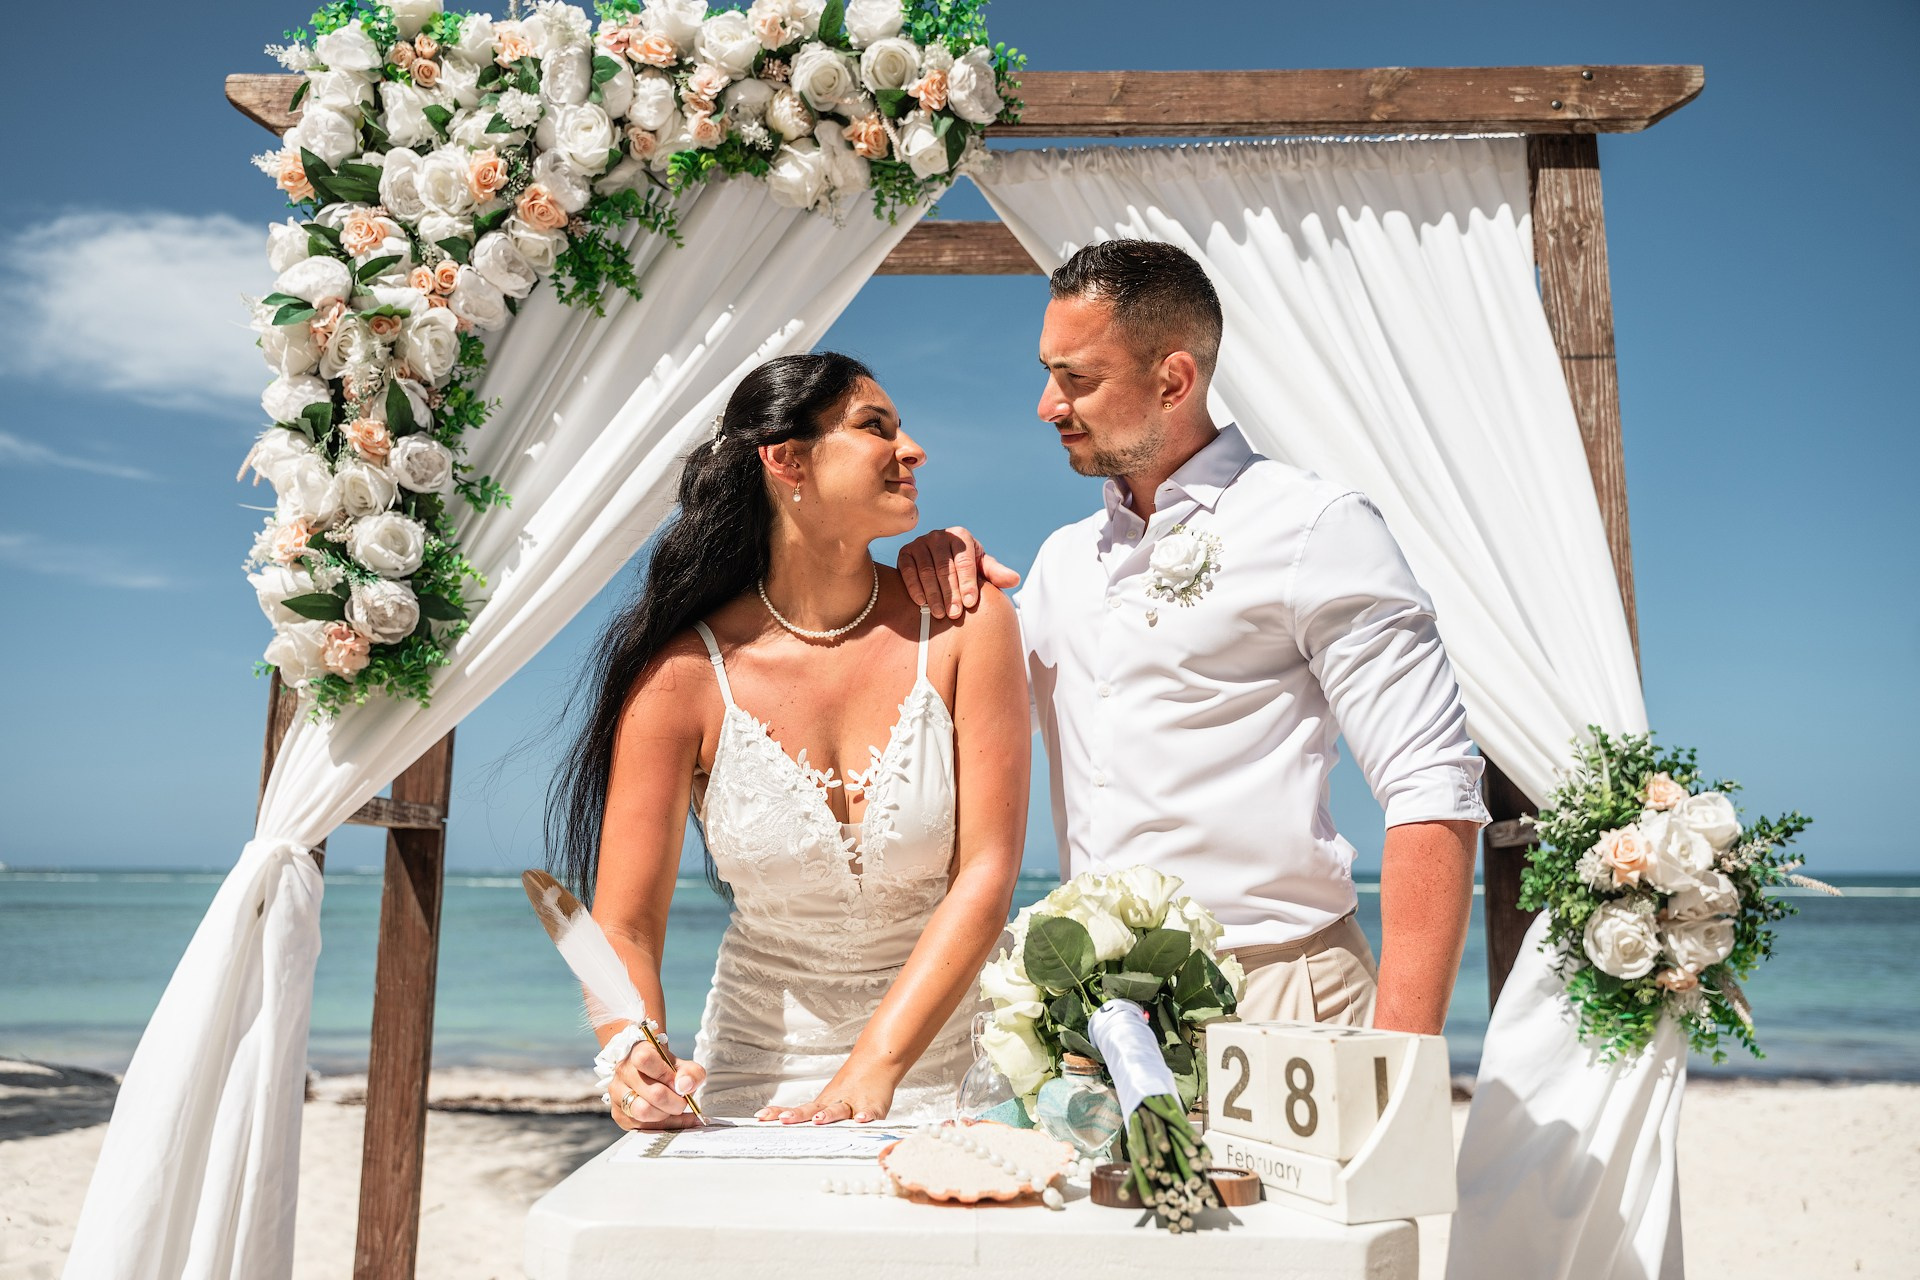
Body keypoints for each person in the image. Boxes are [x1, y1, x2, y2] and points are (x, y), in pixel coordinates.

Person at [898, 240, 1490, 1034]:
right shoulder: (1062, 561)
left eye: (1077, 379)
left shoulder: (1316, 526)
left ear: (1173, 379)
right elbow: (959, 718)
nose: (1047, 405)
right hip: (1094, 1017)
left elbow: (1432, 784)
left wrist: (1402, 1054)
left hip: (1280, 999)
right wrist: (945, 568)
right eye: (1048, 373)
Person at [546, 352, 1029, 1131]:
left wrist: (870, 1073)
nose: (913, 450)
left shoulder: (967, 626)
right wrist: (630, 1053)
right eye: (878, 428)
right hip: (755, 1081)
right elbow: (626, 924)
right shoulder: (682, 677)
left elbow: (988, 873)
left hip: (960, 1071)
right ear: (785, 458)